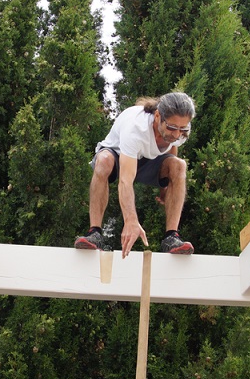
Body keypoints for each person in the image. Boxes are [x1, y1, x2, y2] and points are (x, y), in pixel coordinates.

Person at [75, 92, 195, 258]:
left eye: (182, 129)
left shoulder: (179, 128)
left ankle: (171, 237)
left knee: (180, 166)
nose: (176, 134)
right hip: (118, 156)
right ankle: (94, 233)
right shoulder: (136, 129)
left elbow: (172, 148)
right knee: (103, 161)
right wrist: (130, 220)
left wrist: (166, 184)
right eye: (172, 128)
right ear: (158, 116)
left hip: (148, 162)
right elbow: (125, 180)